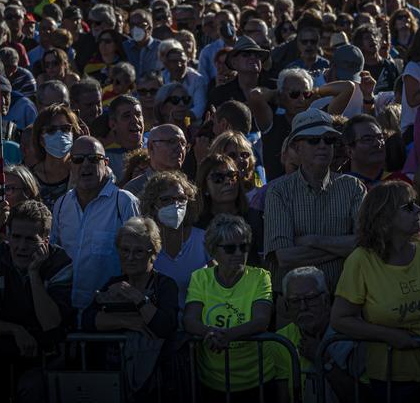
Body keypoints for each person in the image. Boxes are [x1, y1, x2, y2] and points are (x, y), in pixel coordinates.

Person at [332, 181, 420, 402]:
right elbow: (340, 319)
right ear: (385, 217)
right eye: (409, 207)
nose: (419, 210)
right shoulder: (361, 260)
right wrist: (389, 335)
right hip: (390, 374)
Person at [0, 200, 74, 401]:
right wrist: (15, 330)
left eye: (30, 240)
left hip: (46, 358)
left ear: (46, 241)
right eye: (16, 237)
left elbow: (51, 324)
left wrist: (34, 273)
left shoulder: (60, 263)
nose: (21, 247)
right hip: (2, 356)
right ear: (7, 235)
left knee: (31, 389)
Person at [263, 108, 365, 293]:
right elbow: (284, 257)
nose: (323, 145)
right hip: (295, 304)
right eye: (313, 140)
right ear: (296, 147)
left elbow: (364, 245)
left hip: (344, 299)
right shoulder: (278, 191)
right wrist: (341, 248)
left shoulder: (353, 187)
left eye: (329, 140)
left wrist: (313, 240)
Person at [82, 217, 183, 401]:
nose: (130, 257)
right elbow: (86, 320)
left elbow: (164, 326)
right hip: (114, 380)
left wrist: (136, 297)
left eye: (138, 252)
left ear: (153, 253)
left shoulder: (165, 286)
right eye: (125, 250)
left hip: (157, 382)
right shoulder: (113, 284)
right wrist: (127, 322)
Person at [185, 214, 283, 400]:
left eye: (244, 246)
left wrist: (224, 336)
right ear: (213, 250)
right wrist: (210, 333)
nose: (239, 253)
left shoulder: (261, 277)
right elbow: (190, 319)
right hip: (213, 381)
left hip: (257, 379)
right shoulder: (200, 278)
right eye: (230, 248)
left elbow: (261, 321)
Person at [50, 135, 140, 311]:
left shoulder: (123, 202)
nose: (85, 165)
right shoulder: (61, 205)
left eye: (94, 158)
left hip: (109, 311)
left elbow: (139, 260)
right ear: (70, 165)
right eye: (78, 159)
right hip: (65, 309)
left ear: (105, 163)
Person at [277, 267, 361, 403]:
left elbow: (363, 397)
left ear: (326, 300)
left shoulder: (352, 336)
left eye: (310, 298)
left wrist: (324, 360)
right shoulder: (281, 340)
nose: (303, 307)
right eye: (295, 301)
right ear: (287, 306)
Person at [138, 170, 208, 303]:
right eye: (166, 199)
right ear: (152, 205)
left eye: (181, 198)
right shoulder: (143, 243)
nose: (175, 205)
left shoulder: (203, 240)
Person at [27, 103, 81, 209]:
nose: (59, 134)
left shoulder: (83, 171)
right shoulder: (30, 179)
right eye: (51, 130)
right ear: (40, 139)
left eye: (66, 128)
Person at [125, 123, 189, 196]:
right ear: (151, 147)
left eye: (183, 143)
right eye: (171, 141)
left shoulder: (186, 187)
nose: (180, 149)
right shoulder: (134, 190)